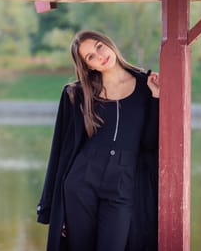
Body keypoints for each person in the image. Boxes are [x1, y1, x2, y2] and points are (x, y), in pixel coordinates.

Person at [37, 30, 159, 251]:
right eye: (90, 57)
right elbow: (59, 151)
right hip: (82, 182)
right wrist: (55, 209)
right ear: (88, 66)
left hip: (123, 184)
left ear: (108, 43)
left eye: (99, 47)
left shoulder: (146, 85)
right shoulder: (77, 94)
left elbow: (150, 143)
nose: (99, 55)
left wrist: (157, 98)